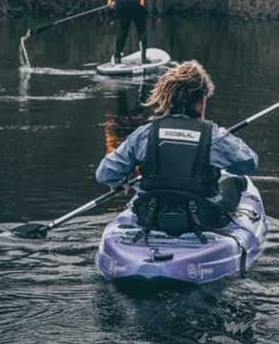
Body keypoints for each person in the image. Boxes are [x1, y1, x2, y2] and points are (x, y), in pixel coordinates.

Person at [95, 61, 259, 237]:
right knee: (237, 181)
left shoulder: (145, 133)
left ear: (168, 99)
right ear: (202, 100)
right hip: (201, 219)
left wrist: (124, 179)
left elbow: (105, 174)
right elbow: (249, 164)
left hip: (151, 216)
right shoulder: (214, 136)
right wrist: (224, 143)